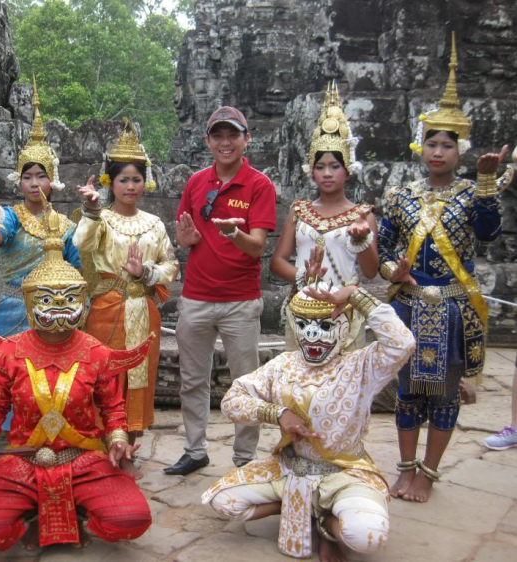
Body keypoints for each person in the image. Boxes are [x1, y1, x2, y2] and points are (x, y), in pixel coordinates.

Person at [0, 193, 153, 552]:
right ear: (31, 303)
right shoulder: (10, 350)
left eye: (68, 300)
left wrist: (118, 441)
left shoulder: (95, 352)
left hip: (83, 458)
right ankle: (33, 506)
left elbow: (112, 409)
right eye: (47, 300)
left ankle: (78, 503)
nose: (59, 309)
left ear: (81, 302)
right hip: (24, 459)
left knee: (132, 519)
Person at [378, 33, 513, 502]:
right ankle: (404, 467)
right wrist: (393, 268)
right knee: (407, 390)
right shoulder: (400, 195)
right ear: (421, 148)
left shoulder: (473, 193)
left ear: (460, 152)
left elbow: (490, 232)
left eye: (447, 146)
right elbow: (384, 243)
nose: (438, 152)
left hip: (453, 308)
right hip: (409, 307)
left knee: (445, 393)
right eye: (431, 143)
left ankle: (428, 474)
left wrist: (488, 182)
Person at [202, 281, 416, 562]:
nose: (312, 334)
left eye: (326, 326)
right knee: (223, 502)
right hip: (287, 469)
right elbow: (231, 401)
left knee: (367, 538)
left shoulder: (362, 365)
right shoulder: (284, 365)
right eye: (303, 325)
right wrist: (276, 413)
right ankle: (298, 505)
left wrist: (356, 296)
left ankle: (326, 523)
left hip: (342, 473)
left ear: (346, 326)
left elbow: (403, 343)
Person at [167, 106, 277, 475]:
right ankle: (195, 449)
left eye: (233, 135)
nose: (225, 143)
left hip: (240, 302)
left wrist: (234, 232)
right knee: (192, 379)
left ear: (247, 139)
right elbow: (187, 235)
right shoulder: (196, 182)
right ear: (207, 141)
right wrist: (185, 240)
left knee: (246, 382)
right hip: (196, 297)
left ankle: (245, 459)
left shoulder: (259, 184)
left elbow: (257, 246)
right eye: (218, 136)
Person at [0, 78, 80, 430]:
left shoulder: (65, 225)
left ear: (53, 180)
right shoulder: (12, 216)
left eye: (41, 176)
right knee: (12, 373)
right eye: (27, 176)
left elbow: (78, 270)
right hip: (16, 307)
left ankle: (52, 430)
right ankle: (7, 431)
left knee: (52, 377)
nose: (34, 183)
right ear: (19, 182)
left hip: (57, 310)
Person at [73, 119, 179, 478]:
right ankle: (101, 445)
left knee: (140, 379)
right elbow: (81, 244)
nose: (130, 186)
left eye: (136, 179)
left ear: (144, 181)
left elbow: (171, 266)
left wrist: (145, 273)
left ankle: (130, 445)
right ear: (110, 182)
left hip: (143, 309)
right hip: (107, 309)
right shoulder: (100, 219)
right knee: (105, 376)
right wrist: (89, 210)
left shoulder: (154, 223)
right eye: (123, 180)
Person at [270, 83, 377, 351]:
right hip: (303, 305)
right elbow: (277, 262)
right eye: (320, 167)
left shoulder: (361, 215)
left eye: (334, 166)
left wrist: (361, 240)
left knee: (345, 386)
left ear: (348, 171)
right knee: (301, 386)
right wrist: (304, 276)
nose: (327, 173)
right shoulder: (299, 211)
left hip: (345, 309)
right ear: (311, 172)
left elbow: (370, 272)